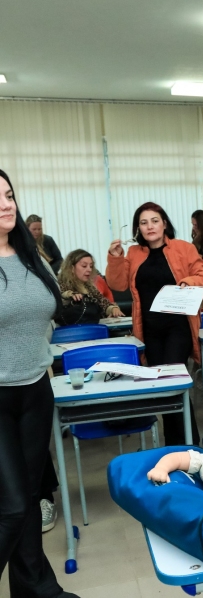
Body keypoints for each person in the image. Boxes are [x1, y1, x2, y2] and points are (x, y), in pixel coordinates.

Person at [0, 170, 80, 598]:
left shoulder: (31, 256)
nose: (6, 204)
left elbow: (52, 312)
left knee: (30, 498)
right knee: (11, 508)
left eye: (9, 195)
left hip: (35, 388)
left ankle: (38, 591)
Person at [106, 202, 203, 446]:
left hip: (178, 327)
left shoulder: (184, 248)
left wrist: (187, 282)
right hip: (149, 331)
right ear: (138, 228)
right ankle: (175, 446)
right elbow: (118, 284)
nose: (149, 226)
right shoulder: (133, 254)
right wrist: (115, 258)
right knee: (161, 388)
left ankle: (188, 446)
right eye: (143, 222)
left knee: (173, 381)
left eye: (154, 220)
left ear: (164, 223)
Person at [56, 249, 126, 325]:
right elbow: (61, 297)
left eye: (91, 266)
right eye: (84, 266)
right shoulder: (60, 283)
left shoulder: (88, 286)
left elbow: (102, 301)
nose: (89, 269)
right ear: (71, 268)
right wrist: (70, 295)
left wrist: (113, 309)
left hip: (92, 327)